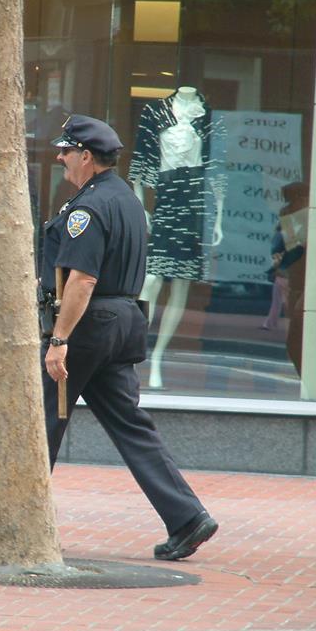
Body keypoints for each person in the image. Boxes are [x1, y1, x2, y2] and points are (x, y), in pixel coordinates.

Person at [40, 114, 218, 561]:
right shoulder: (125, 200)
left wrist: (59, 340)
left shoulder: (88, 207)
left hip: (86, 324)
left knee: (40, 420)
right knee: (130, 425)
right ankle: (187, 516)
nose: (60, 157)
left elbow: (81, 280)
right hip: (121, 321)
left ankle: (22, 519)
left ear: (86, 156)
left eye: (66, 150)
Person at [128, 86, 225, 388]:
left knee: (181, 285)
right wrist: (140, 204)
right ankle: (134, 352)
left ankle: (158, 356)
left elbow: (217, 166)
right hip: (166, 198)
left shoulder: (209, 117)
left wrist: (219, 217)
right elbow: (141, 159)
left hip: (195, 203)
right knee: (152, 279)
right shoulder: (155, 112)